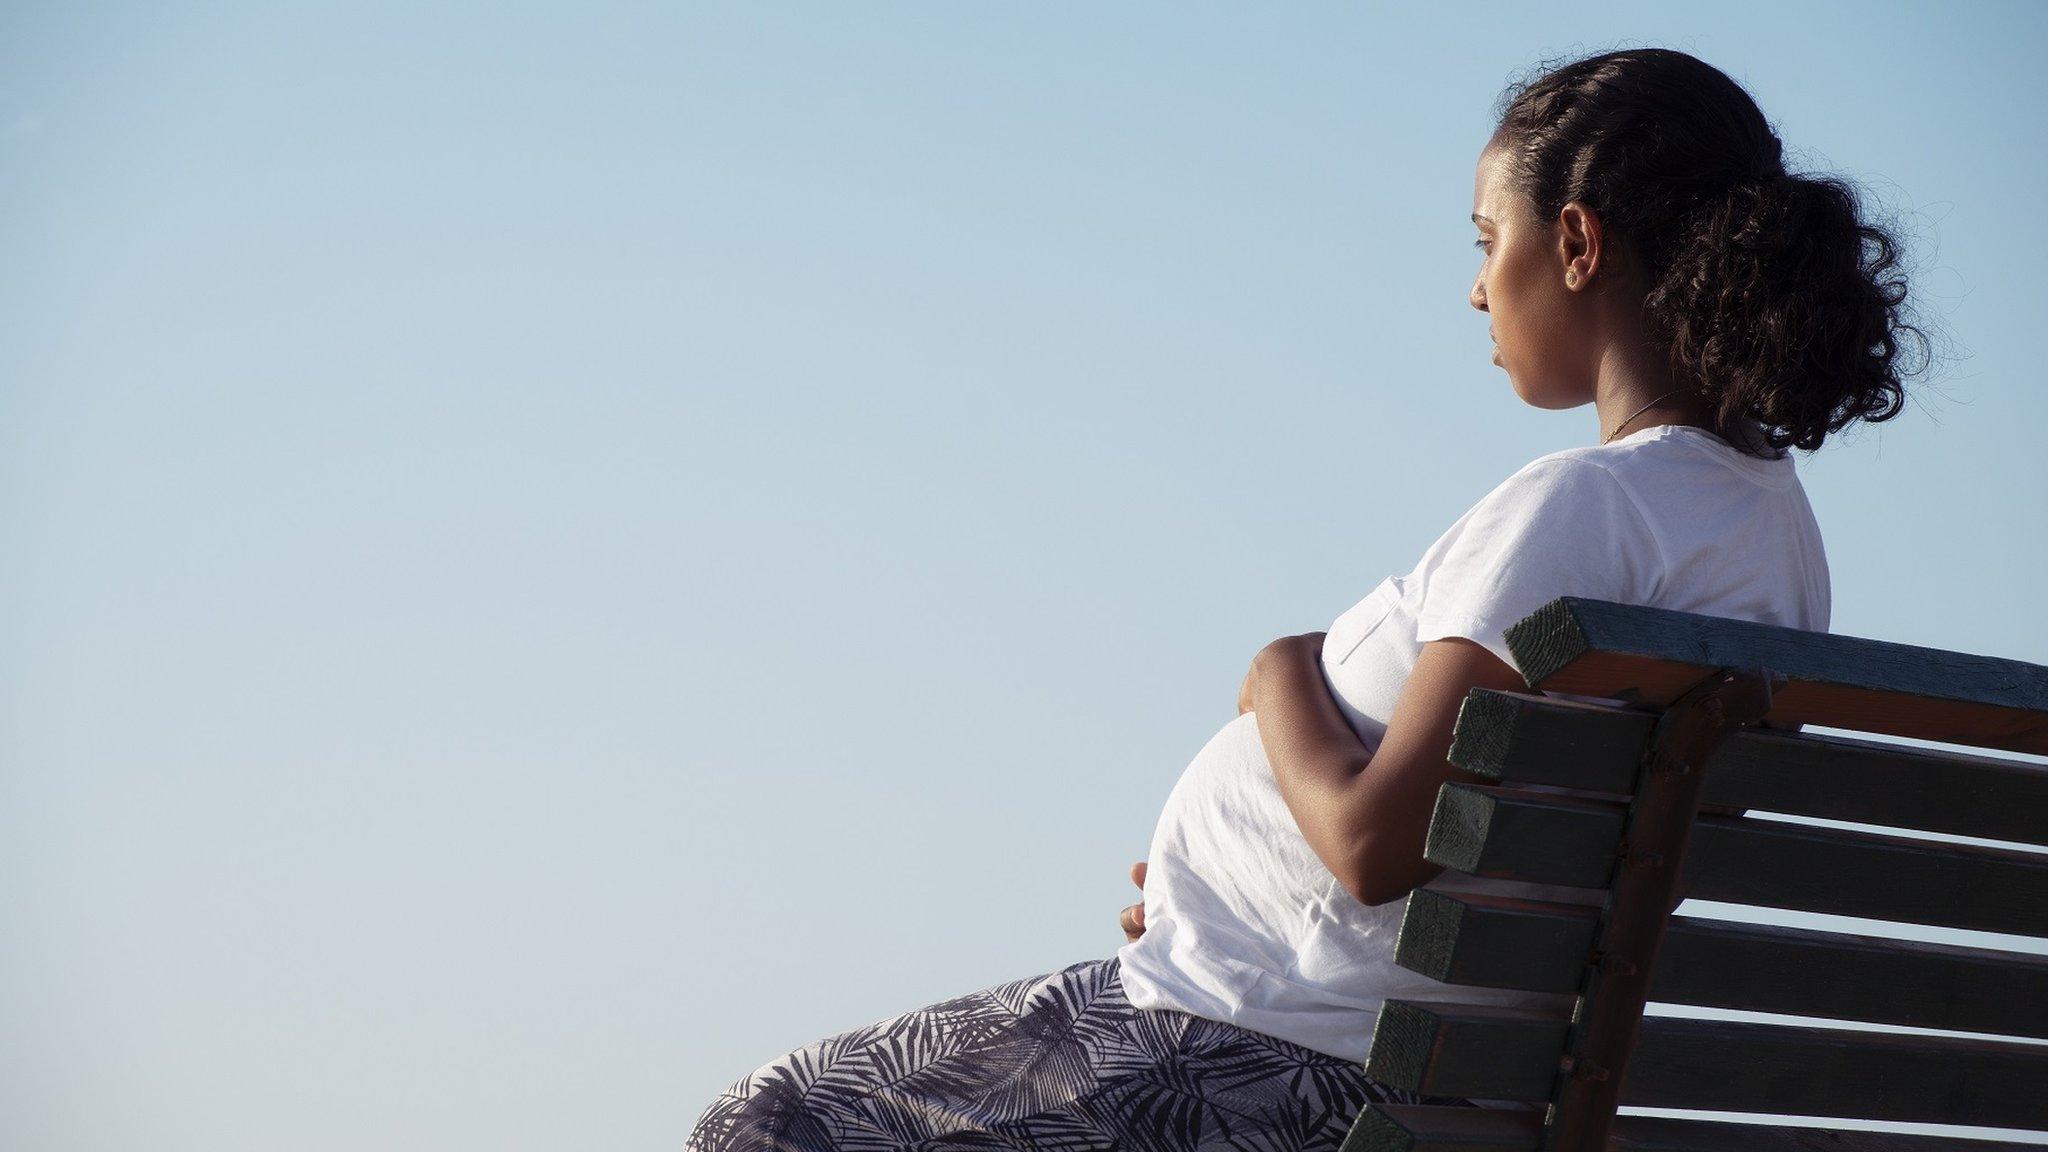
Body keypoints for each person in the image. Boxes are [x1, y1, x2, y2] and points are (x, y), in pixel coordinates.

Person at [684, 46, 1928, 1151]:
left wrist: (1278, 668)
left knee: (769, 1122)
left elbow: (1375, 847)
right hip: (1371, 1051)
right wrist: (1225, 879)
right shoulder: (1773, 539)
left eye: (1485, 243)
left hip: (1270, 1070)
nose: (1476, 291)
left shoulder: (1583, 508)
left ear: (1577, 243)